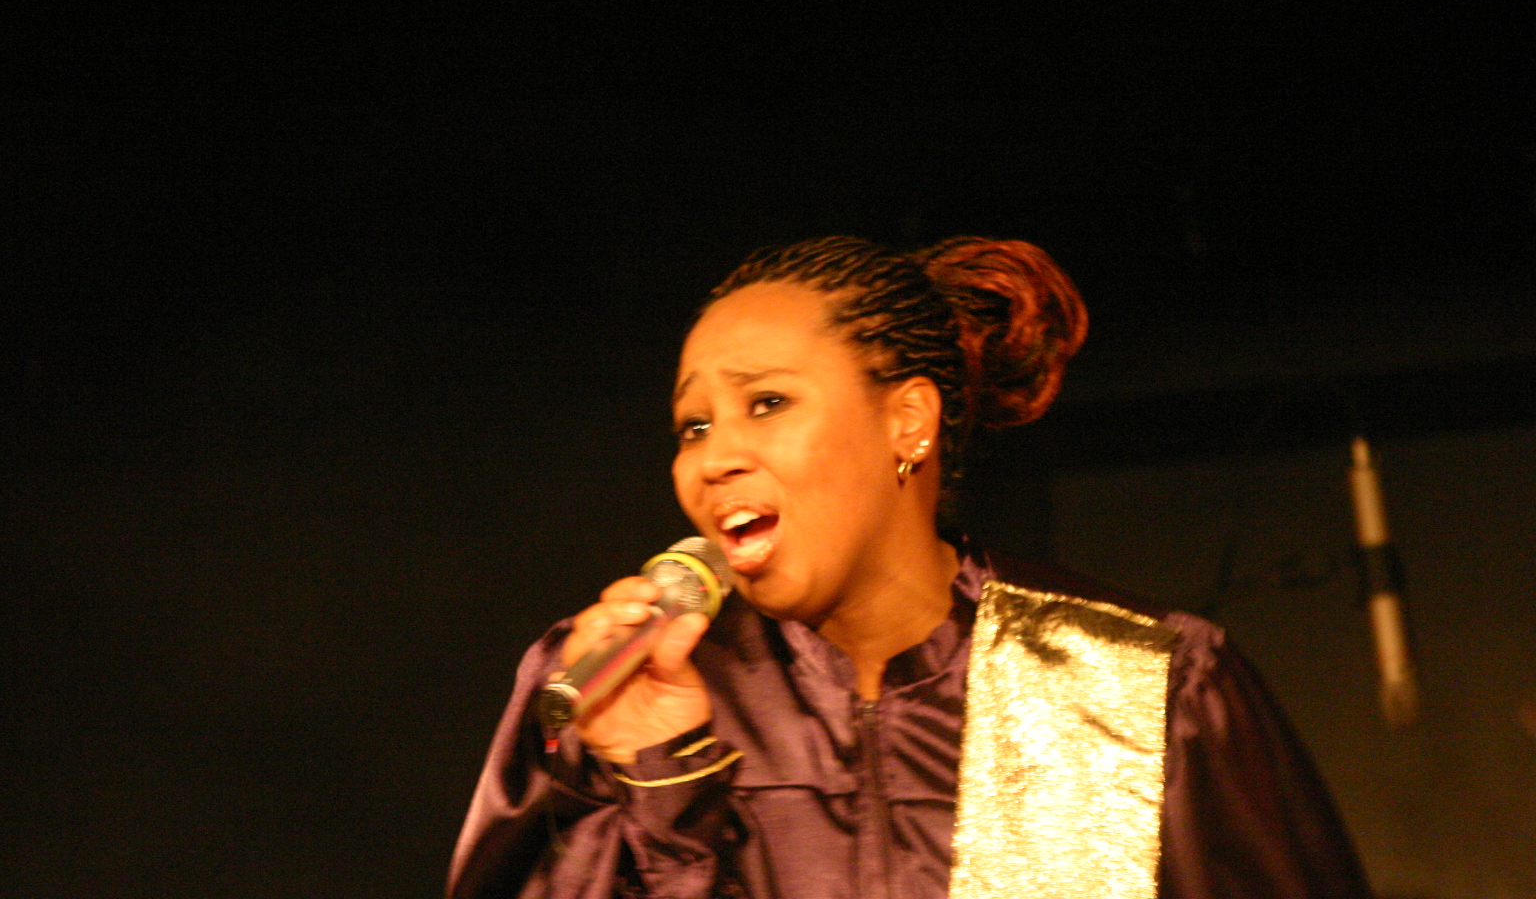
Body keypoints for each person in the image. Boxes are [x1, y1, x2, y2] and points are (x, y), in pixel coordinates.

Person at [448, 236, 1373, 899]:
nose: (713, 458)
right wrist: (663, 782)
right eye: (694, 425)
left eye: (766, 403)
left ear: (908, 422)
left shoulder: (1142, 682)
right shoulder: (606, 690)